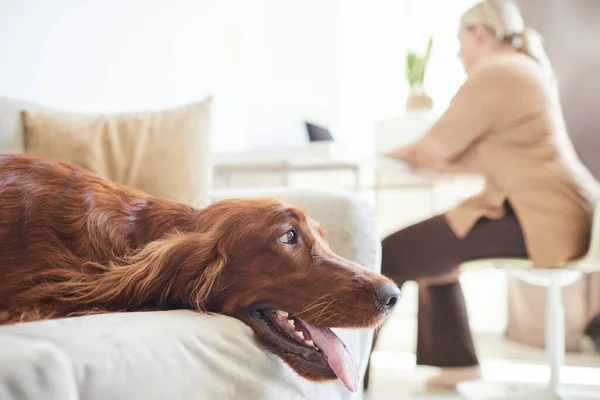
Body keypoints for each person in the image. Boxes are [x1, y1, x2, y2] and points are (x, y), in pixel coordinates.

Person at [366, 0, 600, 390]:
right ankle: (456, 363)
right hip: (554, 213)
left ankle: (347, 374)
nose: (458, 55)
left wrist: (372, 156)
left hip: (541, 219)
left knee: (389, 253)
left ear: (480, 34)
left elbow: (431, 150)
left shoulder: (498, 72)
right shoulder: (524, 68)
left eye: (459, 43)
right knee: (432, 246)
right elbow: (472, 154)